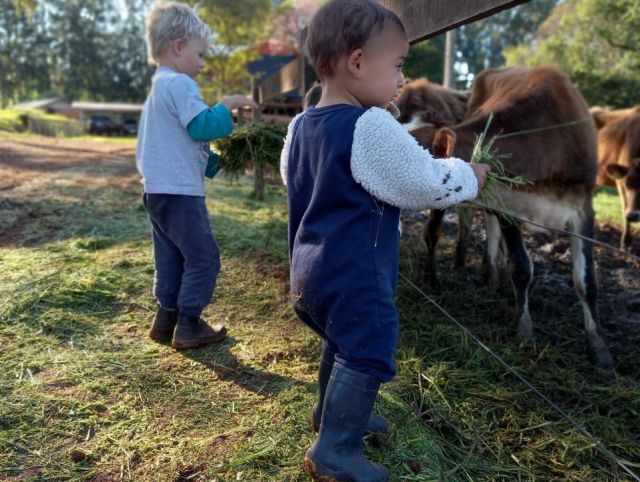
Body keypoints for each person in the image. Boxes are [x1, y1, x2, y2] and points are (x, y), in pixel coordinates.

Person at [280, 0, 490, 479]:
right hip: (356, 272)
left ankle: (331, 415)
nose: (401, 80)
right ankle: (334, 450)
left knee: (340, 341)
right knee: (369, 347)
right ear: (357, 62)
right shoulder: (369, 125)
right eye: (396, 66)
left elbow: (293, 176)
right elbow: (423, 182)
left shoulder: (300, 125)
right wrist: (468, 173)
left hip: (308, 271)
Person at [136, 2, 257, 350]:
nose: (202, 64)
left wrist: (210, 163)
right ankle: (189, 323)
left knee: (171, 255)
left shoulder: (158, 89)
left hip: (157, 192)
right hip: (181, 194)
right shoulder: (181, 85)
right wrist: (229, 104)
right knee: (204, 258)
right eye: (200, 55)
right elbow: (204, 126)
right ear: (178, 47)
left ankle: (165, 318)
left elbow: (177, 142)